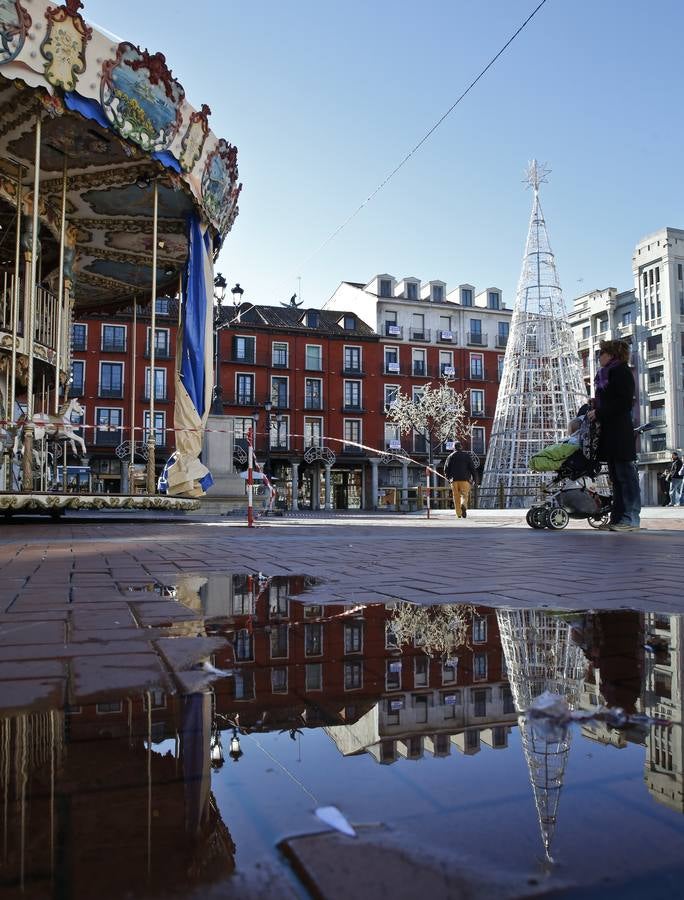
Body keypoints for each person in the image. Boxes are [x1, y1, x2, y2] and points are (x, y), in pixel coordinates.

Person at [588, 339, 641, 532]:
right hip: (610, 433)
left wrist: (600, 412)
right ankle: (618, 518)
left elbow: (625, 402)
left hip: (620, 432)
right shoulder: (606, 374)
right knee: (616, 479)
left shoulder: (621, 372)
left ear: (611, 354)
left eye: (601, 353)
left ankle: (630, 518)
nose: (598, 357)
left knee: (626, 477)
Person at [443, 441, 477, 519]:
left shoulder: (450, 456)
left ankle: (458, 514)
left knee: (456, 497)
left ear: (454, 448)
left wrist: (448, 478)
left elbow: (446, 469)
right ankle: (463, 505)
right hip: (465, 479)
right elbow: (472, 468)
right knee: (464, 495)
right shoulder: (466, 456)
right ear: (461, 447)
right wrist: (474, 478)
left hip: (454, 480)